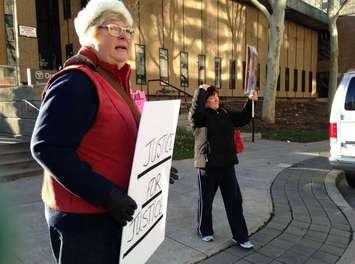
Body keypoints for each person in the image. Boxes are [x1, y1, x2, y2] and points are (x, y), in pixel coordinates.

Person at [31, 0, 139, 263]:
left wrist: (150, 168)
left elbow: (117, 140)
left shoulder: (112, 80)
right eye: (114, 27)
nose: (124, 34)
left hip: (109, 216)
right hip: (84, 224)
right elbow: (47, 146)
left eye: (128, 30)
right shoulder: (76, 81)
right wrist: (107, 195)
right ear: (90, 34)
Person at [188, 84, 258, 249]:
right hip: (207, 167)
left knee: (234, 201)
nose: (215, 99)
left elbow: (243, 118)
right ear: (204, 102)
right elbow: (196, 110)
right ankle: (205, 230)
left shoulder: (224, 112)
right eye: (211, 97)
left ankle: (241, 237)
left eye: (216, 96)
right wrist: (200, 91)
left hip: (227, 165)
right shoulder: (200, 117)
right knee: (206, 202)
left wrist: (250, 101)